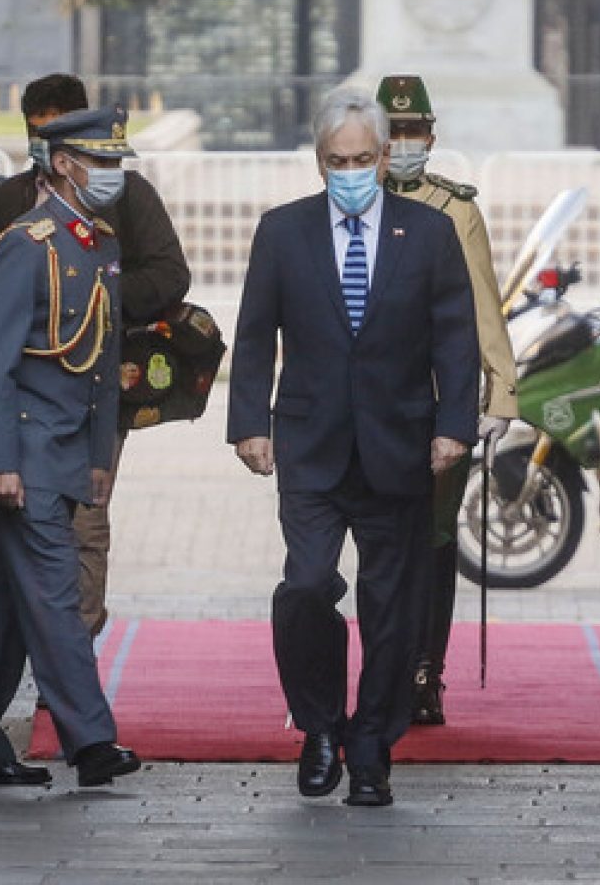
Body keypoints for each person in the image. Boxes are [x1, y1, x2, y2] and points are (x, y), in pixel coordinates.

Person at [227, 86, 479, 806]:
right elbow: (253, 336)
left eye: (363, 157)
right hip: (309, 447)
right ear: (319, 161)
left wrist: (454, 425)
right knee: (306, 587)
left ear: (384, 155)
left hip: (399, 447)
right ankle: (320, 727)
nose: (351, 170)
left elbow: (456, 340)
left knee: (391, 607)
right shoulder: (283, 232)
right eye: (338, 160)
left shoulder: (428, 234)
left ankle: (371, 748)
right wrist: (250, 421)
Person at [0, 105, 141, 788]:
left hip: (65, 453)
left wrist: (99, 456)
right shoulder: (27, 243)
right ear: (62, 164)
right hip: (23, 456)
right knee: (55, 595)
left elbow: (102, 363)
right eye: (102, 162)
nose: (112, 174)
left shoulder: (96, 244)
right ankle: (92, 741)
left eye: (117, 162)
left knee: (7, 610)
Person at [0, 73, 191, 637]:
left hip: (96, 385)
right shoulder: (11, 200)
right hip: (26, 392)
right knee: (17, 526)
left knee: (87, 522)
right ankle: (33, 646)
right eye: (37, 133)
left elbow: (170, 274)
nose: (45, 145)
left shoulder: (127, 198)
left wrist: (93, 295)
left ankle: (75, 639)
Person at [376, 74, 517, 725]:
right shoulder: (354, 201)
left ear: (431, 137)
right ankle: (385, 664)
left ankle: (426, 671)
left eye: (413, 132)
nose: (404, 143)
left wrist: (501, 394)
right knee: (381, 543)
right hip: (372, 404)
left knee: (433, 541)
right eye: (393, 132)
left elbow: (484, 305)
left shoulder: (455, 209)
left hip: (436, 402)